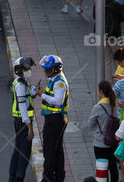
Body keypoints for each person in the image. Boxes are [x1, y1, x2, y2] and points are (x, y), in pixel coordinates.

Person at [39, 54, 69, 182]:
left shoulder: (59, 82)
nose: (46, 72)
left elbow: (58, 101)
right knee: (56, 150)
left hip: (55, 120)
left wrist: (42, 95)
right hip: (54, 119)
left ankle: (48, 178)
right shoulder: (54, 79)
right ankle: (59, 177)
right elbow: (41, 62)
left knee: (49, 150)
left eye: (48, 69)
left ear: (56, 69)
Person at [9, 56, 38, 182]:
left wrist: (32, 92)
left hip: (19, 122)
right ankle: (19, 178)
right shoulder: (20, 85)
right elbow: (22, 106)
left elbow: (25, 97)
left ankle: (12, 177)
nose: (29, 70)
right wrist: (29, 127)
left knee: (18, 149)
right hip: (23, 122)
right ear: (20, 70)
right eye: (27, 68)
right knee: (24, 153)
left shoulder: (21, 82)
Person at [88, 80, 120, 182]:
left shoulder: (97, 107)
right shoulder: (114, 104)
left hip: (100, 143)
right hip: (113, 142)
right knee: (113, 168)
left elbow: (90, 125)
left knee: (102, 169)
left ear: (101, 91)